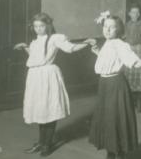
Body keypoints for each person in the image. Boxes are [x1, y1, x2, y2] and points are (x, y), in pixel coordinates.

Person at [14, 12, 96, 157]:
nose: (38, 29)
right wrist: (25, 47)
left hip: (48, 77)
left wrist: (86, 43)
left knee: (49, 109)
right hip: (35, 77)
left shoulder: (54, 39)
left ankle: (47, 144)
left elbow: (70, 48)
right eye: (36, 26)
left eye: (41, 26)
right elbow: (36, 57)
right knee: (40, 110)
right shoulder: (35, 42)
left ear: (48, 25)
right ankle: (41, 142)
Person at [89, 15, 141, 159]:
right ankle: (111, 151)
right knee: (107, 119)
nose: (107, 29)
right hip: (104, 85)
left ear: (118, 29)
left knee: (116, 119)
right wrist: (97, 52)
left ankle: (118, 153)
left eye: (111, 27)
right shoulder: (107, 43)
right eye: (105, 26)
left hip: (116, 85)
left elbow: (133, 62)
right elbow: (108, 61)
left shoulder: (120, 44)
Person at [123, 4, 141, 112]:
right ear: (129, 14)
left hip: (140, 50)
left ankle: (140, 103)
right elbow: (123, 38)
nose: (135, 14)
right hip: (129, 50)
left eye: (137, 12)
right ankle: (131, 102)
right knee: (129, 76)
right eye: (132, 12)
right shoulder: (126, 25)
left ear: (139, 14)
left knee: (140, 75)